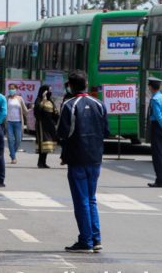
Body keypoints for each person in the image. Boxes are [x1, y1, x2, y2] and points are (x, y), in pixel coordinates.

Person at [56, 71, 109, 254]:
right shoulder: (99, 104)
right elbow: (106, 131)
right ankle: (96, 238)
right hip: (95, 158)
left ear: (70, 86)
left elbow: (63, 133)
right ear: (86, 84)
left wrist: (65, 152)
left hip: (77, 158)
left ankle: (85, 240)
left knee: (82, 201)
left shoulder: (69, 105)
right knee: (91, 199)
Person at [34, 85, 59, 169]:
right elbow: (37, 112)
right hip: (42, 125)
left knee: (48, 145)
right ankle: (40, 162)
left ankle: (43, 162)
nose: (50, 92)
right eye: (49, 90)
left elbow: (55, 113)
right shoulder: (39, 100)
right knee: (43, 144)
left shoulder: (50, 101)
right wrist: (43, 99)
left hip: (50, 125)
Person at [6, 83, 29, 164]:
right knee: (10, 140)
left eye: (12, 88)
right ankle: (13, 157)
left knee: (18, 140)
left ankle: (12, 153)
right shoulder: (6, 99)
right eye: (10, 88)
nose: (11, 90)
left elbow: (25, 110)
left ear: (16, 89)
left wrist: (31, 112)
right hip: (9, 122)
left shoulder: (19, 99)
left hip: (18, 122)